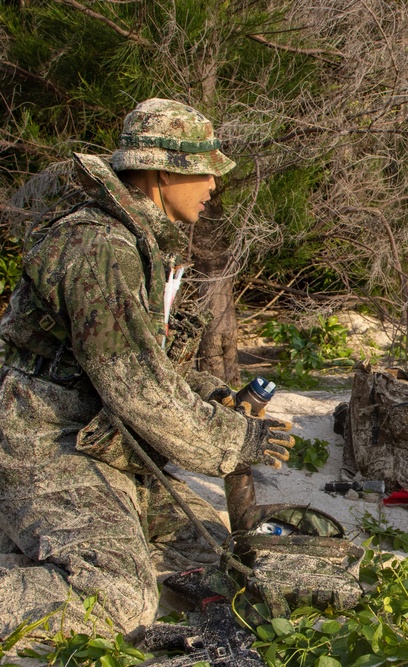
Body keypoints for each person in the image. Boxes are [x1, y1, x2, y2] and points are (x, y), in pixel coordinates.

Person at [0, 99, 294, 637]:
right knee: (118, 597)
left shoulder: (129, 240)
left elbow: (137, 363)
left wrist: (207, 392)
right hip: (42, 440)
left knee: (200, 547)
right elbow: (134, 386)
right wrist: (233, 439)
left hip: (88, 433)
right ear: (164, 172)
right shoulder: (101, 246)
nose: (212, 186)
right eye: (205, 171)